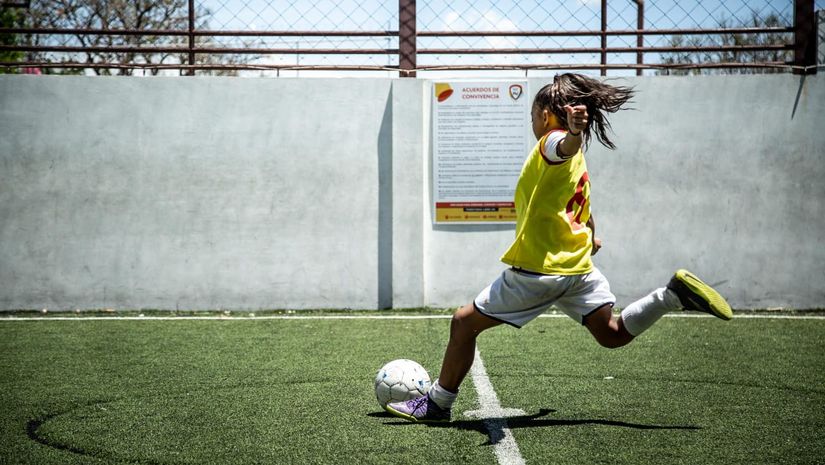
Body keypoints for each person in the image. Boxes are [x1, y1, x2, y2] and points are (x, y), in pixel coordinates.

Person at [386, 73, 733, 423]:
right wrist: (592, 234)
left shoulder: (552, 142)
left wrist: (574, 133)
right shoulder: (574, 161)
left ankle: (437, 405)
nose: (532, 124)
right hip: (579, 271)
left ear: (548, 116)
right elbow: (578, 202)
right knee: (611, 334)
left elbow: (563, 146)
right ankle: (671, 296)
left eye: (533, 116)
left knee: (463, 324)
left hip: (540, 271)